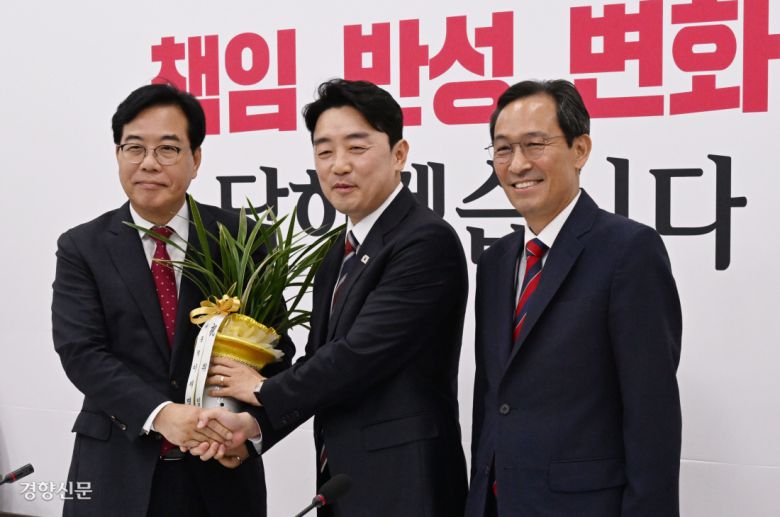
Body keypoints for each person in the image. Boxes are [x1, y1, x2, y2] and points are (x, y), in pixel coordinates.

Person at [190, 78, 469, 517]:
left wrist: (261, 388)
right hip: (343, 484)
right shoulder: (338, 252)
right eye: (324, 151)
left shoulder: (425, 240)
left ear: (399, 154)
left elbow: (357, 356)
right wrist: (253, 430)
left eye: (356, 148)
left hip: (407, 484)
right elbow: (319, 361)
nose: (339, 165)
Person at [51, 84, 292, 517]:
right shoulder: (82, 247)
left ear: (195, 159)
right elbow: (81, 352)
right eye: (134, 148)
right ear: (118, 154)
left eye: (167, 149)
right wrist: (161, 414)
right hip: (116, 473)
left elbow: (276, 353)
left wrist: (250, 433)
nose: (148, 163)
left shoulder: (243, 239)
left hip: (220, 473)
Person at [465, 80, 682, 517]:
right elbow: (491, 399)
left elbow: (652, 414)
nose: (518, 164)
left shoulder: (628, 251)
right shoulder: (494, 262)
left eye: (535, 144)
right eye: (503, 149)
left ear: (580, 149)